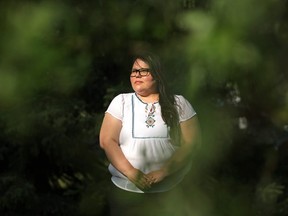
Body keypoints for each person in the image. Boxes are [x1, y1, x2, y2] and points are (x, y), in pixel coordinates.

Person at [99, 51, 200, 216]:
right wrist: (132, 173)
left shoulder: (179, 103)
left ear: (158, 75)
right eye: (134, 71)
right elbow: (107, 140)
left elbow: (191, 143)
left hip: (170, 191)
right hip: (126, 192)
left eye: (144, 71)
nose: (137, 75)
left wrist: (164, 171)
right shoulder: (121, 101)